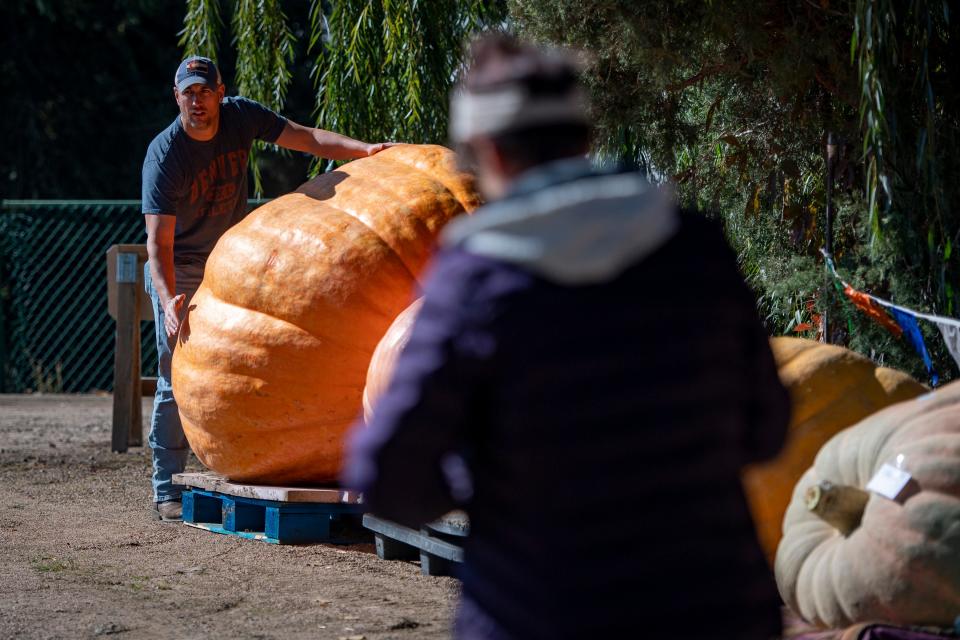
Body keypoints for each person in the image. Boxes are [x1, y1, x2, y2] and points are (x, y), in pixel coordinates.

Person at [344, 34, 791, 639]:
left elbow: (388, 474)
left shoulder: (479, 276)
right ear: (584, 137)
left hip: (543, 611)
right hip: (717, 608)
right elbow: (766, 428)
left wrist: (484, 480)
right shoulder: (694, 246)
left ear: (486, 151)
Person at [143, 56, 391, 521]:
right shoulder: (165, 154)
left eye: (204, 91)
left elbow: (305, 137)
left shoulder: (241, 116)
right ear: (176, 96)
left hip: (229, 260)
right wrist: (167, 303)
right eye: (188, 93)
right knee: (174, 374)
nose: (197, 101)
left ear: (220, 92)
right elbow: (158, 245)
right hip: (180, 266)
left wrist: (365, 151)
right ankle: (164, 488)